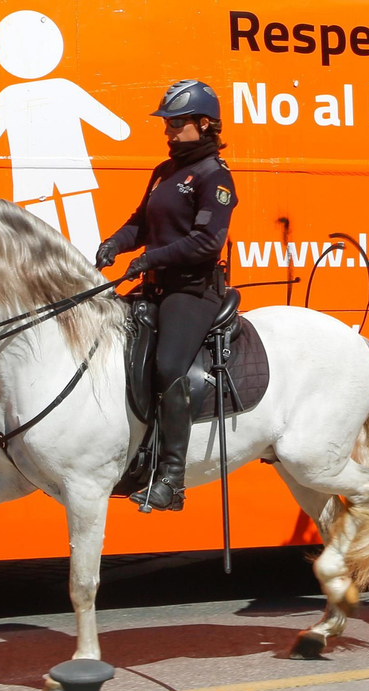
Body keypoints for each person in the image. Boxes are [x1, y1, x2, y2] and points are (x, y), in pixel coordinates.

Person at [96, 80, 237, 511]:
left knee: (169, 365)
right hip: (156, 287)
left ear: (205, 123)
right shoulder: (164, 172)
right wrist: (116, 244)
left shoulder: (216, 176)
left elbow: (206, 243)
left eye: (177, 123)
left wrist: (150, 258)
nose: (169, 131)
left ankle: (172, 479)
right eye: (168, 124)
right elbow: (140, 222)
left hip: (192, 291)